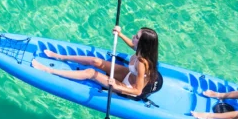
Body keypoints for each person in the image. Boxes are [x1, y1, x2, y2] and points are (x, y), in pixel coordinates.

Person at [31, 26, 159, 98]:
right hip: (128, 75)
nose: (133, 37)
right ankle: (60, 56)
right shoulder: (141, 50)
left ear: (143, 43)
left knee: (91, 73)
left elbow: (138, 91)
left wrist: (116, 86)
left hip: (128, 87)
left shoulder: (142, 63)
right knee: (95, 61)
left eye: (136, 37)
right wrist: (120, 34)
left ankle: (49, 70)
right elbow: (133, 45)